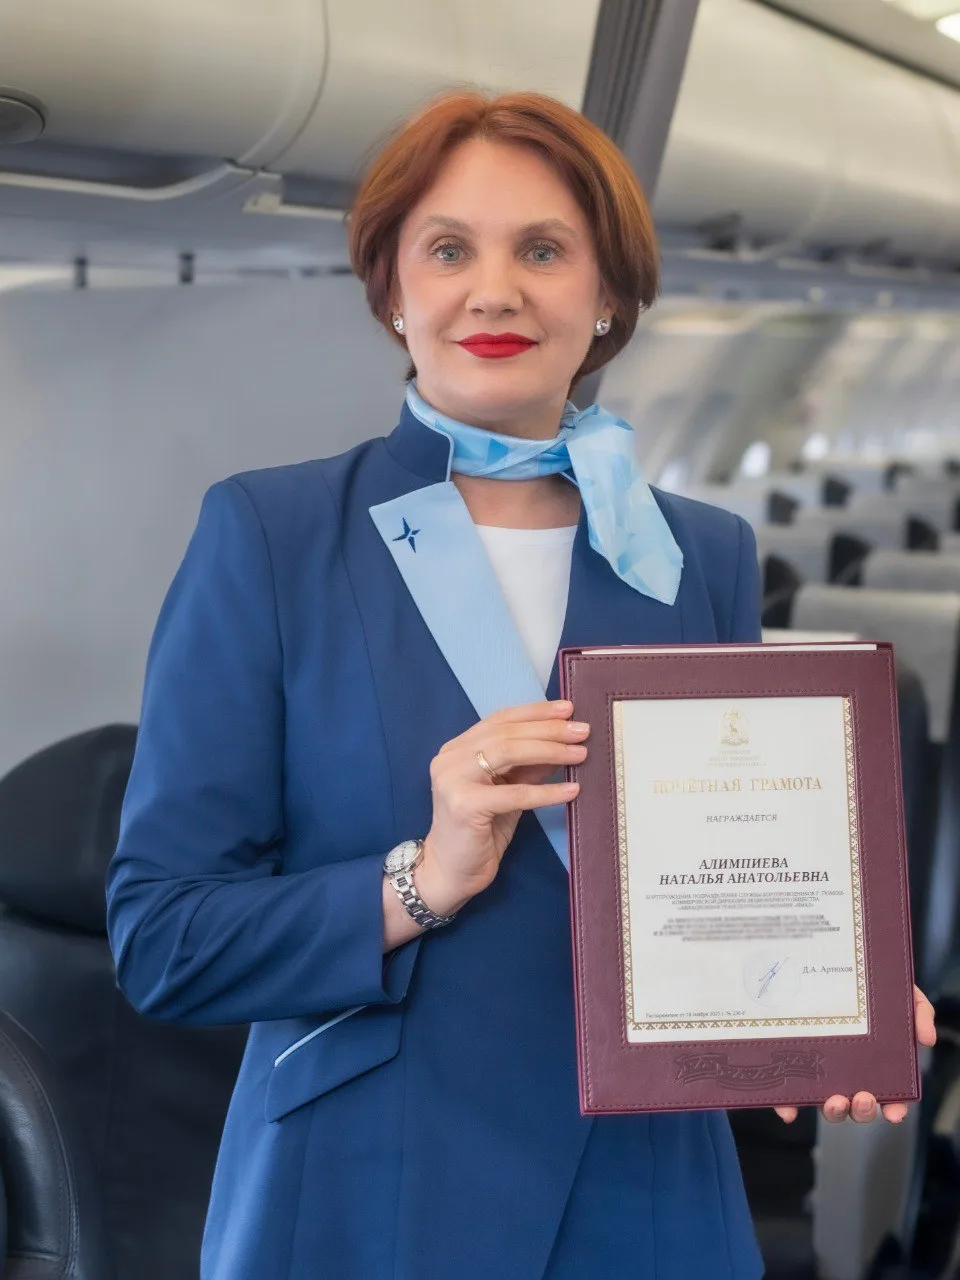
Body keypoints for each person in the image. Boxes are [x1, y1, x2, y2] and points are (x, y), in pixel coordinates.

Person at [105, 89, 936, 1280]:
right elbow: (165, 939)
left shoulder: (698, 552)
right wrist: (421, 878)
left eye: (542, 250)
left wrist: (826, 999)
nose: (492, 290)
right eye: (449, 249)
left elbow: (731, 861)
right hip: (371, 1185)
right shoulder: (273, 536)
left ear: (607, 296)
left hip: (643, 1189)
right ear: (393, 290)